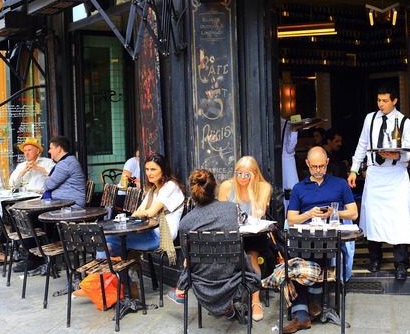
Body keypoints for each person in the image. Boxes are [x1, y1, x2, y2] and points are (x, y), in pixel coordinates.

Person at [78, 153, 185, 299]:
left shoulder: (170, 186)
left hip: (161, 236)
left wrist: (141, 213)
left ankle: (100, 286)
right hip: (149, 232)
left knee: (105, 242)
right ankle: (122, 287)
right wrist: (140, 213)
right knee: (107, 244)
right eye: (147, 169)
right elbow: (140, 210)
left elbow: (149, 212)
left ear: (163, 170)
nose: (149, 173)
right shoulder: (153, 190)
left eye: (153, 169)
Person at [284, 146, 358, 334]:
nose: (318, 170)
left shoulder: (340, 184)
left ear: (327, 163)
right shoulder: (299, 188)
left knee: (314, 252)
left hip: (330, 238)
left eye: (321, 166)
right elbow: (291, 218)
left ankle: (307, 307)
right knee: (297, 256)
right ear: (307, 164)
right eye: (314, 167)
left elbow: (354, 213)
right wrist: (308, 213)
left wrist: (334, 212)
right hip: (305, 238)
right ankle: (308, 307)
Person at [169, 169, 261, 319]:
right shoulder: (231, 209)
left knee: (189, 261)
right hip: (233, 276)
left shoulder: (186, 222)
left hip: (203, 281)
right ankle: (228, 305)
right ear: (215, 187)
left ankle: (180, 292)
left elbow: (187, 256)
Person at [348, 84, 410, 280]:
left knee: (399, 219)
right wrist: (354, 169)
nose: (381, 104)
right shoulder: (370, 119)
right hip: (375, 174)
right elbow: (362, 144)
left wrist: (396, 155)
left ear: (394, 101)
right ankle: (374, 259)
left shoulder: (406, 123)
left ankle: (401, 264)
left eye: (385, 101)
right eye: (379, 100)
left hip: (396, 174)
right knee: (373, 218)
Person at [218, 156, 272, 321]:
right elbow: (220, 215)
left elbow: (258, 214)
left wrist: (250, 191)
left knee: (251, 257)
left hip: (255, 234)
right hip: (232, 233)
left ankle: (255, 300)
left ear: (255, 175)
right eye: (238, 173)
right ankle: (226, 299)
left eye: (246, 175)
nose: (241, 178)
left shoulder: (263, 187)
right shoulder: (227, 186)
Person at [43, 136, 87, 209]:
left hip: (70, 206)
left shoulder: (65, 164)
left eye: (51, 148)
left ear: (59, 149)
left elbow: (48, 186)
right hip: (63, 203)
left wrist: (47, 179)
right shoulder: (68, 160)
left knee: (31, 215)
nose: (49, 151)